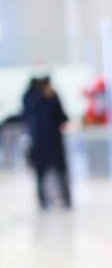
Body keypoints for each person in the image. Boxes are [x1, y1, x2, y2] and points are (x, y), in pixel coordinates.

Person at [23, 76, 72, 209]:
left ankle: (43, 201)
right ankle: (66, 199)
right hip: (52, 141)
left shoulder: (29, 98)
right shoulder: (51, 97)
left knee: (41, 174)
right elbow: (62, 117)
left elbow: (25, 116)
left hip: (38, 141)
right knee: (59, 172)